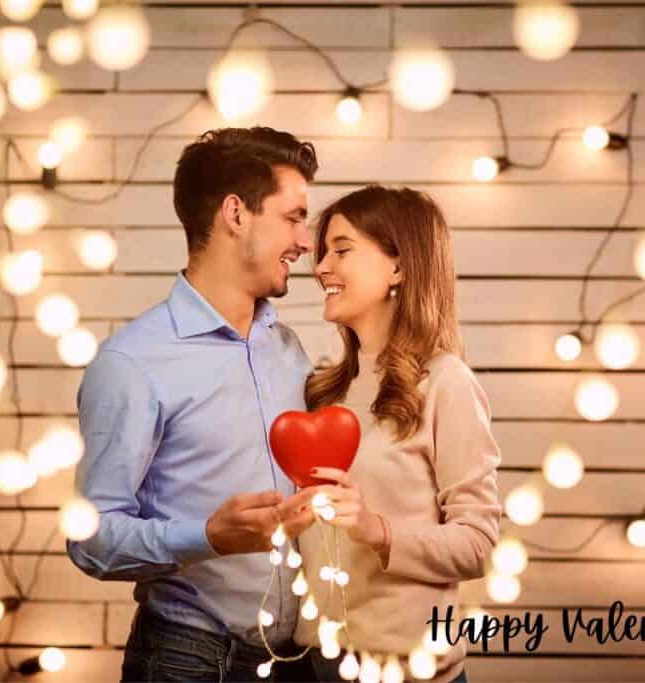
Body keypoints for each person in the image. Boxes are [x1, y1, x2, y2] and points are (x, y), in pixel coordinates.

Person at [67, 126, 326, 682]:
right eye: (294, 216)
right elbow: (90, 538)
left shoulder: (289, 350)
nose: (306, 242)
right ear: (236, 214)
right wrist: (206, 538)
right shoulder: (133, 362)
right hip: (189, 662)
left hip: (297, 663)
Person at [292, 186, 502, 683]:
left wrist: (378, 531)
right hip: (314, 663)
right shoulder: (324, 391)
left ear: (400, 268)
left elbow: (478, 543)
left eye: (341, 250)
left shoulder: (446, 383)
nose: (321, 267)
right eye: (323, 253)